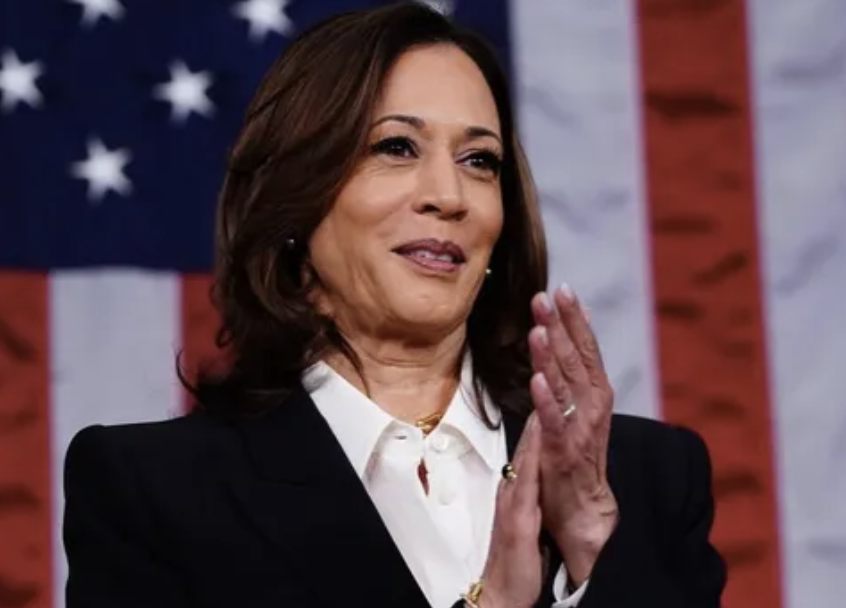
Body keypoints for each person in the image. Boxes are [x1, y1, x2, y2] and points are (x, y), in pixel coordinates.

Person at [61, 3, 727, 608]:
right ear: (297, 199)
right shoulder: (155, 492)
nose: (449, 195)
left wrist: (589, 554)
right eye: (396, 147)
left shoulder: (645, 481)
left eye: (479, 160)